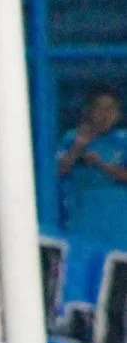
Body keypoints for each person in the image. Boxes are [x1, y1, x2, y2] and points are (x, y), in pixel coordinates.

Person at [57, 83, 127, 249]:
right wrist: (77, 147)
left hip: (119, 223)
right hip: (82, 220)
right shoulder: (71, 138)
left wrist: (101, 164)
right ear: (89, 111)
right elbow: (57, 171)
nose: (105, 115)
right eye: (100, 108)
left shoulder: (123, 140)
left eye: (111, 109)